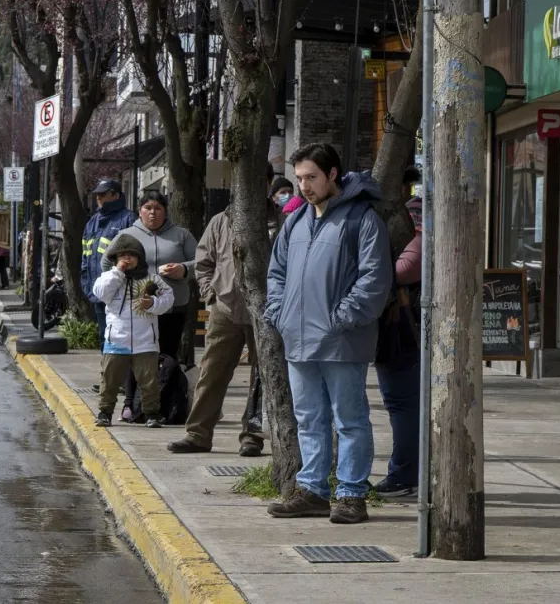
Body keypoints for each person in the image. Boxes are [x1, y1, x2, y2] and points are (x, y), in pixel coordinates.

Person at [264, 143, 392, 525]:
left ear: (333, 174)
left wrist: (342, 318)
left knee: (349, 419)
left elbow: (375, 278)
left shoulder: (362, 220)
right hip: (298, 338)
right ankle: (314, 491)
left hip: (342, 339)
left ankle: (352, 494)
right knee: (309, 419)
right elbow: (276, 275)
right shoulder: (296, 222)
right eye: (300, 178)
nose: (304, 186)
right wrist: (280, 314)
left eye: (311, 177)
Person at [167, 165, 282, 457]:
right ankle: (198, 434)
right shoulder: (221, 221)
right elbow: (203, 262)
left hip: (266, 312)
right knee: (212, 373)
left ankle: (253, 436)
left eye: (261, 182)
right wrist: (211, 294)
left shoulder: (281, 222)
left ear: (268, 185)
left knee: (261, 378)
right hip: (225, 309)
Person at [372, 166, 423, 498]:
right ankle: (407, 472)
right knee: (402, 403)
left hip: (404, 326)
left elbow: (405, 269)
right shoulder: (403, 214)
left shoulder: (414, 221)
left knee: (401, 403)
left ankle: (404, 475)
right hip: (398, 325)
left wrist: (369, 265)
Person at [92, 233, 175, 428]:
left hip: (145, 341)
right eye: (122, 256)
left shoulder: (151, 279)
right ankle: (105, 412)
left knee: (149, 381)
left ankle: (151, 413)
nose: (127, 259)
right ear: (115, 259)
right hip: (116, 341)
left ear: (140, 258)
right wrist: (117, 273)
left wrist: (153, 303)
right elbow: (101, 293)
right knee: (109, 380)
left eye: (132, 255)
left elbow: (168, 298)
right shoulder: (109, 277)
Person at [104, 190, 197, 361]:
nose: (152, 212)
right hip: (136, 308)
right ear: (140, 211)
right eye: (148, 208)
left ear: (165, 211)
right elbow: (106, 262)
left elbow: (201, 263)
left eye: (158, 208)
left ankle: (165, 385)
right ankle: (134, 387)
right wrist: (123, 275)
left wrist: (184, 269)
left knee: (167, 352)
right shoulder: (127, 235)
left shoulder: (181, 235)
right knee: (137, 353)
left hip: (173, 306)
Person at [81, 179, 136, 349]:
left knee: (121, 339)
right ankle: (108, 373)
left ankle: (122, 374)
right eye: (97, 194)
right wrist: (87, 286)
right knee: (104, 338)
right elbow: (86, 258)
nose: (99, 197)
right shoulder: (92, 222)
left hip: (121, 293)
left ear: (116, 195)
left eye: (103, 194)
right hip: (99, 291)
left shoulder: (128, 219)